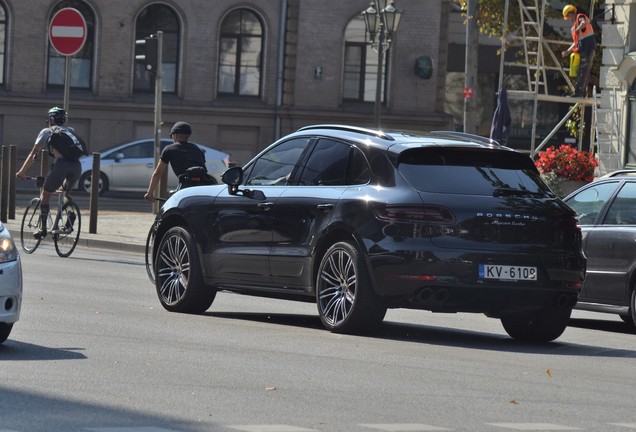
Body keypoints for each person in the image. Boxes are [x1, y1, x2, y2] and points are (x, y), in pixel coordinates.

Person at [16, 107, 86, 239]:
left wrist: (21, 172)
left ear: (51, 119)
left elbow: (33, 153)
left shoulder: (47, 132)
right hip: (77, 166)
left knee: (46, 194)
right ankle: (71, 214)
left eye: (49, 119)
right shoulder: (70, 131)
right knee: (65, 192)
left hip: (61, 166)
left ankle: (42, 229)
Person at [144, 121, 208, 202]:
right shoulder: (197, 149)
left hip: (186, 187)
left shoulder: (169, 149)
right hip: (204, 187)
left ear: (175, 135)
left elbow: (158, 173)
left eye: (172, 136)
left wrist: (149, 193)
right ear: (188, 136)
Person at [561, 4, 597, 97]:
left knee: (583, 72)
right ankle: (581, 93)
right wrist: (567, 51)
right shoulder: (574, 27)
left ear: (570, 13)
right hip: (584, 49)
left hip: (588, 48)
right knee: (583, 72)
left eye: (567, 16)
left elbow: (583, 23)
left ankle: (579, 94)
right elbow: (575, 42)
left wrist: (577, 28)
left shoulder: (580, 17)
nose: (568, 19)